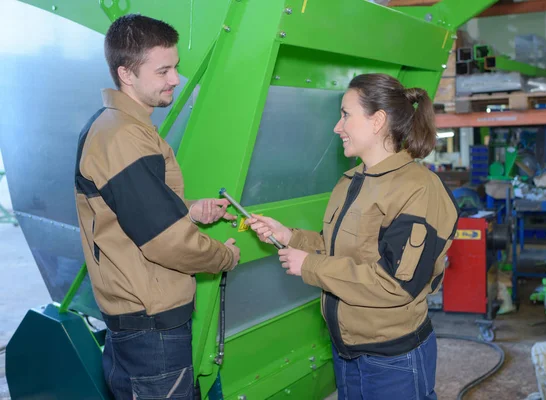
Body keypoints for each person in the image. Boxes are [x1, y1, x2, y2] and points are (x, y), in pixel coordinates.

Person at [248, 73, 459, 399]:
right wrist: (289, 236)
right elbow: (339, 248)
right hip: (347, 350)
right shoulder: (351, 180)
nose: (337, 126)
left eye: (346, 114)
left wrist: (310, 267)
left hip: (393, 358)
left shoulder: (417, 189)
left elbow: (396, 284)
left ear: (377, 121)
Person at [73, 14, 240, 400]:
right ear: (126, 74)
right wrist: (224, 256)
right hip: (151, 334)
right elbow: (166, 241)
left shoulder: (120, 127)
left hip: (142, 327)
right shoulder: (122, 137)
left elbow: (132, 210)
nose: (175, 79)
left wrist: (190, 210)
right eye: (163, 70)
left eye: (175, 67)